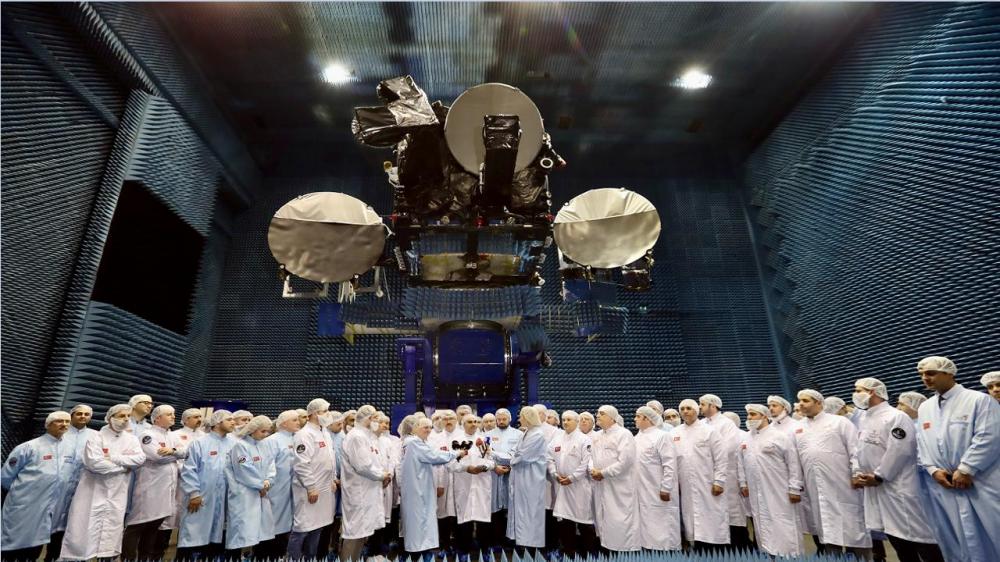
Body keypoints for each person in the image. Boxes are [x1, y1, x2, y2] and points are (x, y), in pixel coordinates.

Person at [915, 356, 1000, 562]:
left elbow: (989, 436)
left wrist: (967, 468)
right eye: (922, 374)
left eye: (931, 373)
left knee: (993, 532)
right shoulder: (925, 407)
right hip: (945, 485)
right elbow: (922, 443)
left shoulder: (978, 400)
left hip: (981, 481)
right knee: (957, 537)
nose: (925, 378)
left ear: (949, 373)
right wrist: (932, 469)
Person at [850, 378, 944, 562]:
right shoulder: (865, 418)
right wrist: (858, 472)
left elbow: (899, 450)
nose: (855, 394)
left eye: (858, 390)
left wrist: (879, 475)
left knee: (919, 535)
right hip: (876, 488)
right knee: (895, 537)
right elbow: (859, 449)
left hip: (898, 486)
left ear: (872, 392)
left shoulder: (896, 416)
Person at [60, 404, 146, 561]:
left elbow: (140, 459)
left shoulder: (132, 439)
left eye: (128, 416)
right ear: (110, 418)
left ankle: (106, 556)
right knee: (85, 526)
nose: (126, 419)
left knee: (112, 527)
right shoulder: (96, 437)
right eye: (121, 416)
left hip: (118, 491)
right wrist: (124, 467)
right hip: (93, 490)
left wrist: (113, 458)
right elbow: (95, 464)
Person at [794, 389, 872, 557]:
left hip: (844, 484)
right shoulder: (798, 428)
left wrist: (857, 473)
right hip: (815, 487)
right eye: (800, 401)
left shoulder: (839, 422)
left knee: (853, 529)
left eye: (805, 401)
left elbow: (855, 450)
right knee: (827, 530)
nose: (801, 404)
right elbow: (797, 460)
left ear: (819, 403)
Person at [1, 411, 72, 562]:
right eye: (59, 421)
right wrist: (22, 493)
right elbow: (6, 477)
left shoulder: (69, 449)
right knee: (13, 541)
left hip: (48, 505)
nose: (64, 424)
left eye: (67, 421)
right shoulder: (28, 447)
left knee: (36, 542)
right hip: (23, 503)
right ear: (48, 424)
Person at [737, 404, 804, 557]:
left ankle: (790, 555)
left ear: (764, 416)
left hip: (779, 489)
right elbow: (740, 462)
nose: (749, 418)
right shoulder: (746, 438)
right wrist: (743, 483)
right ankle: (768, 553)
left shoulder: (779, 436)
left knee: (782, 521)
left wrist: (794, 487)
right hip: (755, 490)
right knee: (761, 522)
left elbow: (793, 463)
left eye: (753, 414)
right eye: (748, 415)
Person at [124, 405, 188, 561]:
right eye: (169, 414)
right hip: (150, 488)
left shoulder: (172, 436)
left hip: (166, 489)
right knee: (137, 524)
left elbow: (187, 452)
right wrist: (177, 454)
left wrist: (173, 451)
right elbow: (158, 457)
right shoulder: (147, 435)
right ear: (158, 418)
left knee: (154, 526)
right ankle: (128, 557)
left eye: (173, 414)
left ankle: (145, 557)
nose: (173, 417)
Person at [175, 409, 237, 561]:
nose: (233, 422)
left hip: (225, 497)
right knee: (194, 533)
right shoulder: (200, 443)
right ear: (217, 423)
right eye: (229, 419)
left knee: (218, 533)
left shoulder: (235, 444)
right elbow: (189, 469)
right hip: (202, 497)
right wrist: (194, 493)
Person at [400, 417, 464, 555]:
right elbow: (434, 456)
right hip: (417, 488)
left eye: (430, 427)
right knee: (419, 520)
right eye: (425, 427)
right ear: (415, 427)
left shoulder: (411, 442)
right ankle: (417, 552)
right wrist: (457, 453)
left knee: (419, 520)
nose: (428, 430)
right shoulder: (414, 442)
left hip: (418, 486)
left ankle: (420, 550)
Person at [673, 399, 729, 550]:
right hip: (686, 485)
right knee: (691, 517)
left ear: (696, 411)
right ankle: (696, 547)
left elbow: (721, 458)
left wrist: (719, 481)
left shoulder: (709, 431)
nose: (685, 411)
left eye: (689, 408)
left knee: (711, 518)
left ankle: (716, 549)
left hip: (707, 482)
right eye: (682, 409)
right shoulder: (674, 433)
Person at [700, 394, 750, 551]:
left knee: (731, 512)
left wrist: (706, 457)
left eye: (702, 404)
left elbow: (728, 448)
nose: (700, 407)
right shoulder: (701, 424)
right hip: (706, 475)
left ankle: (738, 547)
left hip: (726, 475)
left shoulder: (726, 424)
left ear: (713, 406)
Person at [288, 398, 337, 560]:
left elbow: (330, 458)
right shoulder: (304, 435)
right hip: (309, 489)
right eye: (325, 411)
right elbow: (302, 464)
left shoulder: (325, 433)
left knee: (318, 526)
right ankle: (293, 557)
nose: (328, 414)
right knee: (302, 528)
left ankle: (310, 557)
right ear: (315, 414)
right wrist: (310, 487)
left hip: (324, 488)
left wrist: (333, 478)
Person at [340, 405, 390, 561]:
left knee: (363, 532)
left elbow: (373, 462)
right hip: (359, 491)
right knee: (354, 533)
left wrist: (382, 474)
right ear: (367, 419)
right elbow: (362, 466)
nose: (378, 421)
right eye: (375, 418)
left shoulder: (367, 436)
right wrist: (381, 475)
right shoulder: (357, 437)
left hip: (368, 490)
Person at [48, 405, 97, 562]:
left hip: (82, 484)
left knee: (75, 521)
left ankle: (67, 556)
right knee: (52, 522)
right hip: (59, 484)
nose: (83, 416)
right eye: (79, 414)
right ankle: (50, 556)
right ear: (72, 415)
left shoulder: (95, 435)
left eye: (86, 414)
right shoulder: (61, 432)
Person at [589, 405, 640, 552]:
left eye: (602, 414)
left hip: (619, 485)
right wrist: (593, 470)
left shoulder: (624, 434)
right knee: (603, 516)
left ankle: (624, 550)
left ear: (612, 417)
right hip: (600, 483)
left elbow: (626, 461)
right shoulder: (597, 436)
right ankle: (605, 547)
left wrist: (603, 473)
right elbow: (591, 457)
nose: (598, 415)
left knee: (619, 519)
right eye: (597, 413)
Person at [498, 406, 548, 553]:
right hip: (522, 479)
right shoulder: (527, 433)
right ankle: (522, 542)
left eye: (521, 416)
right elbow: (514, 452)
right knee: (521, 511)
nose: (519, 419)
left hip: (531, 480)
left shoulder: (537, 434)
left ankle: (531, 546)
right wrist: (493, 454)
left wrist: (511, 461)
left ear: (528, 417)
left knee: (530, 512)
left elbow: (523, 457)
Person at [548, 411, 596, 557]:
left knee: (584, 522)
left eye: (569, 419)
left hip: (579, 487)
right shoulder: (557, 439)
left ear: (576, 421)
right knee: (565, 521)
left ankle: (589, 553)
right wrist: (554, 474)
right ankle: (569, 552)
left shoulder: (584, 440)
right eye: (563, 419)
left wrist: (572, 478)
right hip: (562, 487)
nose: (565, 422)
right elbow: (549, 458)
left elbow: (586, 462)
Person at [226, 415, 277, 552]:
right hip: (245, 493)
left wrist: (268, 481)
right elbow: (244, 469)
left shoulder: (265, 445)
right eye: (263, 431)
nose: (265, 434)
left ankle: (251, 555)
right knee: (241, 530)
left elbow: (271, 465)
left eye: (267, 431)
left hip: (262, 492)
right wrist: (260, 485)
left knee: (260, 530)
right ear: (253, 430)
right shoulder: (240, 446)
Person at [255, 410, 301, 559]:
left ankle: (280, 555)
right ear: (284, 423)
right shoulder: (272, 441)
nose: (298, 422)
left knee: (286, 526)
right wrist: (264, 484)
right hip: (274, 491)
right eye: (294, 420)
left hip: (290, 490)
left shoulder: (297, 439)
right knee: (270, 525)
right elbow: (264, 465)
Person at [633, 406, 680, 551]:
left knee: (663, 523)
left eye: (637, 416)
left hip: (658, 488)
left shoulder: (662, 436)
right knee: (647, 524)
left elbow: (670, 464)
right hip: (642, 489)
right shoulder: (636, 438)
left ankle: (668, 552)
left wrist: (666, 487)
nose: (634, 419)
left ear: (647, 418)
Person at [449, 414, 494, 559]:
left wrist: (485, 467)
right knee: (464, 518)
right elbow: (450, 464)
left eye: (475, 421)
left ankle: (485, 550)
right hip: (464, 484)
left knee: (483, 519)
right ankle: (463, 551)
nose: (473, 424)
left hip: (482, 483)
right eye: (469, 422)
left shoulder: (485, 440)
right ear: (463, 424)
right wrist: (466, 468)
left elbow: (492, 461)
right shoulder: (455, 440)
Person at [487, 408, 520, 550]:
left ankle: (511, 540)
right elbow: (485, 454)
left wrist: (507, 462)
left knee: (512, 507)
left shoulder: (518, 435)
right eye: (498, 419)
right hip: (494, 473)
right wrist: (495, 466)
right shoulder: (488, 435)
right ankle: (496, 540)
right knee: (495, 509)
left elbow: (516, 455)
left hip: (512, 473)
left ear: (510, 419)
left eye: (504, 419)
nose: (501, 421)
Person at [374, 413, 402, 557]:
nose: (385, 425)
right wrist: (380, 476)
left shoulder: (392, 441)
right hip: (374, 481)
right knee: (374, 516)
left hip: (389, 482)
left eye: (387, 423)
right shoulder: (369, 439)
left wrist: (388, 475)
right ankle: (373, 548)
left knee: (387, 514)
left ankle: (384, 544)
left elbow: (394, 460)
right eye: (382, 422)